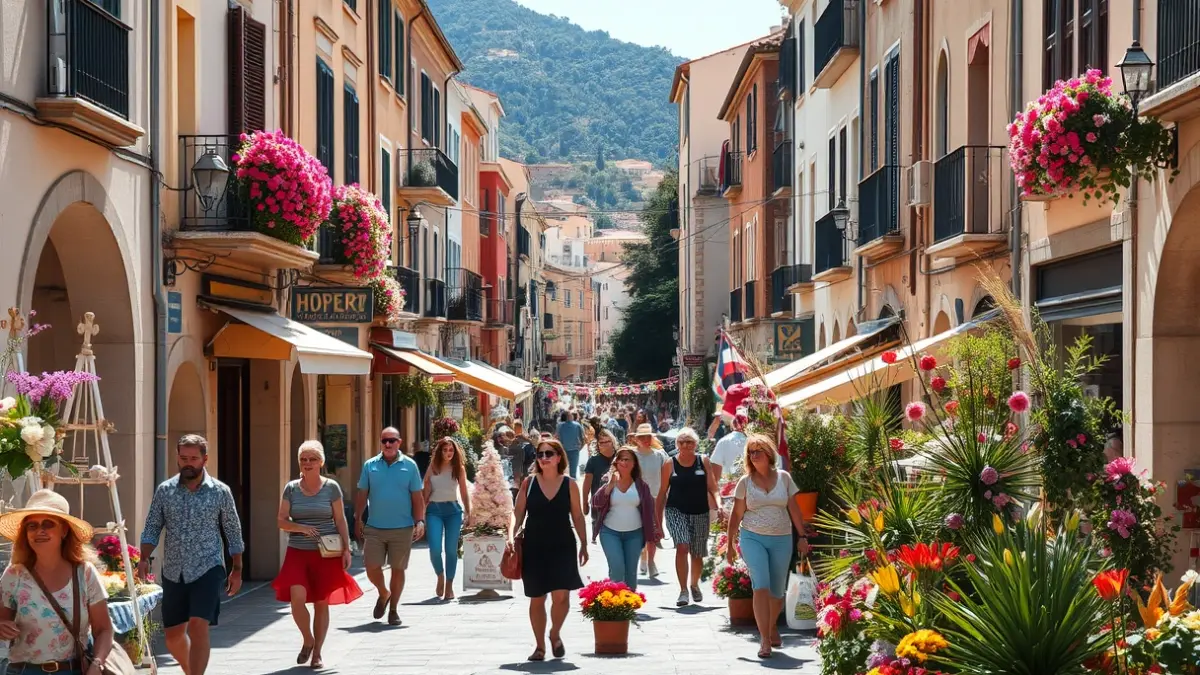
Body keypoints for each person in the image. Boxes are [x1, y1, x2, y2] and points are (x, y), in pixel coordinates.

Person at [140, 434, 244, 675]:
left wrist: (237, 568)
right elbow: (153, 525)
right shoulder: (165, 491)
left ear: (204, 459)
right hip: (174, 570)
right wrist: (144, 557)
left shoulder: (220, 491)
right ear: (177, 457)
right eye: (183, 458)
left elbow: (232, 530)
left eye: (193, 458)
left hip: (208, 567)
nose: (188, 463)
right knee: (173, 638)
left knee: (198, 625)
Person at [0, 490, 114, 675]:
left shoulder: (84, 574)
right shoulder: (14, 575)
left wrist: (97, 664)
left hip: (73, 669)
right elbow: (2, 620)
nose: (39, 531)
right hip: (24, 671)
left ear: (64, 530)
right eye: (32, 526)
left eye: (48, 524)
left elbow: (104, 630)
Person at [272, 440, 361, 670]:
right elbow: (281, 520)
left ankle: (318, 653)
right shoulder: (291, 488)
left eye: (312, 459)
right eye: (303, 459)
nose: (307, 463)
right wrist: (300, 528)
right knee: (296, 598)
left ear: (321, 462)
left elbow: (340, 519)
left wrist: (346, 548)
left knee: (322, 602)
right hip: (298, 551)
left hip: (325, 552)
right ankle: (308, 639)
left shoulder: (331, 487)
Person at [726, 434, 810, 659]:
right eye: (750, 452)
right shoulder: (745, 482)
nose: (754, 456)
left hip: (782, 538)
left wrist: (802, 536)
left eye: (758, 451)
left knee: (777, 591)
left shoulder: (784, 479)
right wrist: (730, 543)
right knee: (760, 585)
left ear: (769, 454)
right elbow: (736, 514)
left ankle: (771, 625)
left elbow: (794, 509)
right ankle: (764, 639)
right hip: (752, 537)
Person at [508, 439, 588, 662]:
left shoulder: (570, 484)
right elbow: (517, 512)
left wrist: (583, 543)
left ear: (559, 457)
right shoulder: (529, 483)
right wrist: (512, 534)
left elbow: (578, 516)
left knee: (561, 596)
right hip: (534, 545)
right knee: (537, 597)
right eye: (540, 454)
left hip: (563, 544)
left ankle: (554, 633)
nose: (543, 458)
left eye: (548, 454)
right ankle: (540, 646)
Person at [354, 427, 426, 626]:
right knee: (370, 567)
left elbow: (417, 497)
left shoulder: (410, 466)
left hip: (402, 527)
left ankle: (393, 609)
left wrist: (419, 520)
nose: (388, 444)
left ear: (399, 442)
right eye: (384, 440)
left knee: (398, 569)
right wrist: (358, 518)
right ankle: (383, 592)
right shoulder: (370, 466)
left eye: (392, 441)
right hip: (375, 526)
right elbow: (362, 493)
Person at [661, 427, 718, 607]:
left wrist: (719, 503)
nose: (686, 445)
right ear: (677, 444)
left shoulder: (703, 461)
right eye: (682, 442)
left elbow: (713, 487)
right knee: (683, 546)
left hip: (700, 510)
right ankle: (683, 590)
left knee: (697, 552)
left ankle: (694, 585)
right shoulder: (670, 464)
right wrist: (656, 520)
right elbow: (662, 492)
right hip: (675, 510)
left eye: (690, 442)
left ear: (696, 444)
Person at [590, 447, 658, 590]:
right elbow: (596, 502)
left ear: (634, 463)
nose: (624, 462)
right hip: (610, 532)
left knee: (631, 573)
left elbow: (650, 510)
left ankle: (628, 607)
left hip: (635, 533)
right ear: (616, 463)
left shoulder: (641, 486)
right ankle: (615, 606)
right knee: (617, 568)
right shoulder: (608, 480)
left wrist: (655, 529)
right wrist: (609, 486)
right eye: (620, 459)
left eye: (627, 459)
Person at [423, 437, 472, 602]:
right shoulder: (433, 466)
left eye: (451, 450)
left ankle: (449, 585)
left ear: (455, 451)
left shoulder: (459, 468)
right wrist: (420, 513)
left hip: (453, 511)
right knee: (435, 549)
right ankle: (440, 576)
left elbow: (464, 492)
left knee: (451, 550)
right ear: (440, 451)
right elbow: (425, 489)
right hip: (434, 511)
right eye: (445, 450)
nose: (448, 453)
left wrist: (468, 512)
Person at [630, 424, 669, 577]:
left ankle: (651, 561)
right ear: (636, 439)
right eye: (641, 437)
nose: (645, 440)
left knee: (652, 533)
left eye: (648, 436)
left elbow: (667, 477)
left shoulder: (659, 455)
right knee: (638, 532)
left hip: (654, 498)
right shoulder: (631, 455)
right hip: (635, 499)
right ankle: (643, 556)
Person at [581, 429, 619, 526]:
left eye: (608, 441)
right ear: (598, 444)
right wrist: (584, 503)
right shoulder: (593, 461)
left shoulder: (621, 457)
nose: (605, 444)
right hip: (599, 504)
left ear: (613, 441)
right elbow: (587, 484)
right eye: (601, 442)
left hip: (619, 503)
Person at [709, 415, 748, 485]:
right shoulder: (753, 442)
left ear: (732, 425)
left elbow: (715, 473)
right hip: (750, 487)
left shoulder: (723, 441)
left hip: (729, 487)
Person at [555, 411, 587, 479]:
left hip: (564, 450)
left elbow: (556, 437)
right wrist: (580, 447)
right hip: (574, 450)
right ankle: (571, 485)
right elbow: (584, 438)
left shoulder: (560, 425)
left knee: (562, 471)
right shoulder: (577, 425)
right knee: (572, 473)